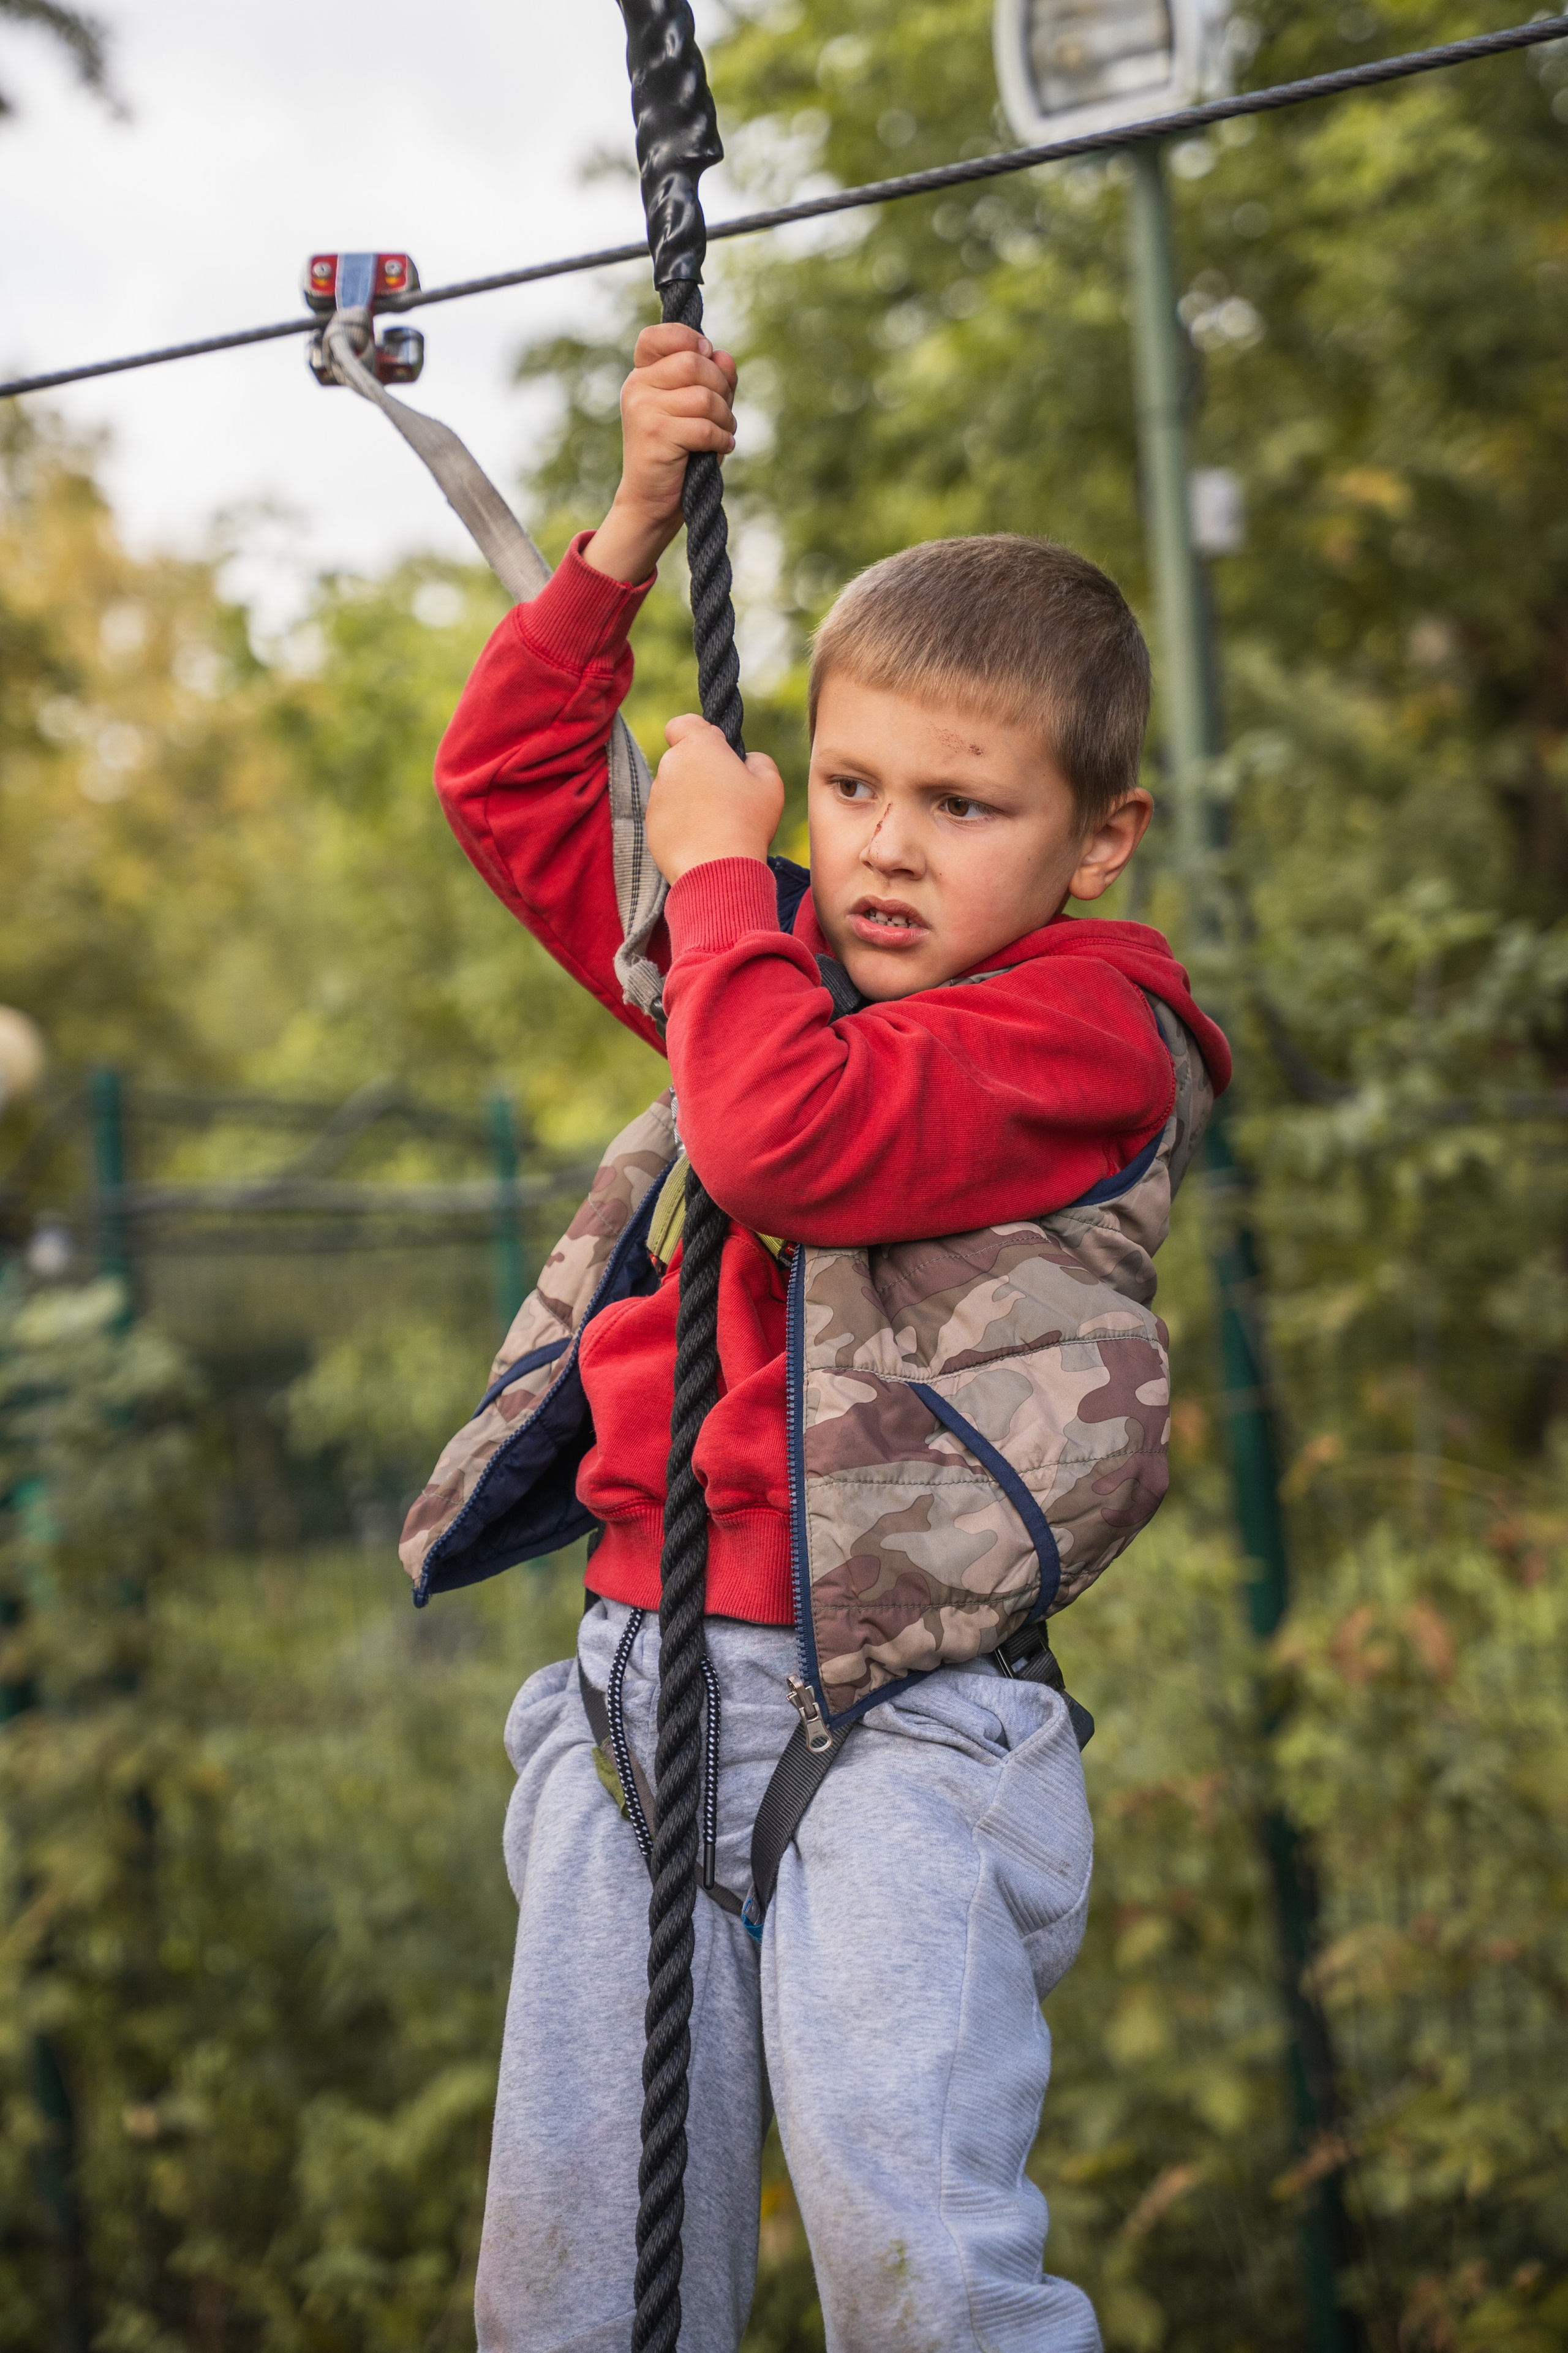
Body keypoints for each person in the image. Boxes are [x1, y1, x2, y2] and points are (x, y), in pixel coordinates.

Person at [415, 320, 1231, 2353]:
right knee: (570, 2267)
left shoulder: (1086, 1030)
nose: (877, 842)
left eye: (961, 805)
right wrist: (624, 535)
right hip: (644, 1675)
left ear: (1095, 840)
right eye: (850, 783)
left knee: (914, 2252)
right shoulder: (767, 965)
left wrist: (718, 884)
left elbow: (783, 1137)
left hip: (908, 1722)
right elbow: (514, 791)